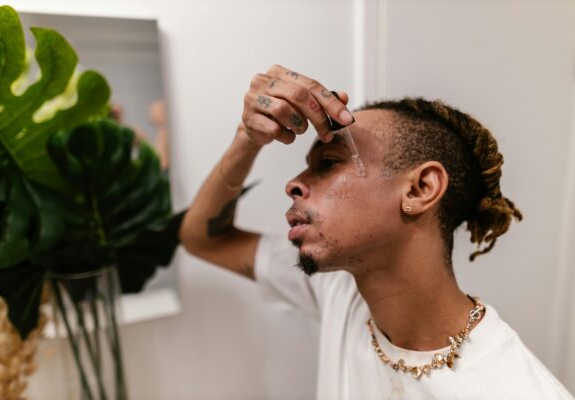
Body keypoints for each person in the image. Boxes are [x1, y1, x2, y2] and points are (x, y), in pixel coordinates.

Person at [179, 64, 573, 399]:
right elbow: (203, 238)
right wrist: (247, 140)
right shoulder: (343, 292)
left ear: (420, 190)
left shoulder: (515, 389)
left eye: (328, 163)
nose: (294, 184)